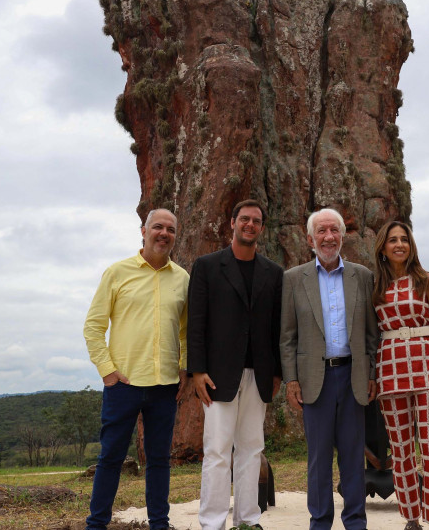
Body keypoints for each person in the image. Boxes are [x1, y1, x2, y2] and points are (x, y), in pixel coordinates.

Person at [84, 208, 189, 530]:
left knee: (159, 462)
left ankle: (160, 523)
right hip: (124, 385)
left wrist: (184, 370)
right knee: (110, 459)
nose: (164, 234)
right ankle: (96, 524)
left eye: (170, 229)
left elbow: (185, 332)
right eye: (158, 227)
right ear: (143, 231)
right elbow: (94, 326)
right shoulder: (117, 273)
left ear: (175, 235)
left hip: (165, 386)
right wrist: (107, 371)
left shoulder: (183, 279)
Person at [188, 200, 284, 530]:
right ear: (232, 223)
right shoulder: (207, 266)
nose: (250, 225)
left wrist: (277, 373)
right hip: (216, 376)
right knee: (217, 451)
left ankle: (248, 519)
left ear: (261, 227)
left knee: (251, 448)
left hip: (259, 374)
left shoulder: (273, 273)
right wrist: (197, 371)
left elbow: (277, 326)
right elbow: (196, 323)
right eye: (244, 219)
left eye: (256, 221)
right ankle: (212, 523)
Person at [280, 208, 379, 530]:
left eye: (334, 230)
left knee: (352, 459)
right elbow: (288, 337)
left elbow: (370, 334)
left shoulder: (362, 276)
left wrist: (373, 374)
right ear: (311, 239)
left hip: (353, 377)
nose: (328, 237)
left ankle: (355, 522)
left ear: (343, 236)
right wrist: (292, 380)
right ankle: (320, 523)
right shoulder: (294, 279)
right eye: (321, 231)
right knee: (318, 461)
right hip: (314, 380)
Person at [371, 220, 429, 530]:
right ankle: (411, 518)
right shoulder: (376, 287)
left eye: (404, 240)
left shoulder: (425, 280)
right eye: (393, 240)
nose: (399, 245)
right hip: (391, 369)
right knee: (401, 449)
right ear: (382, 248)